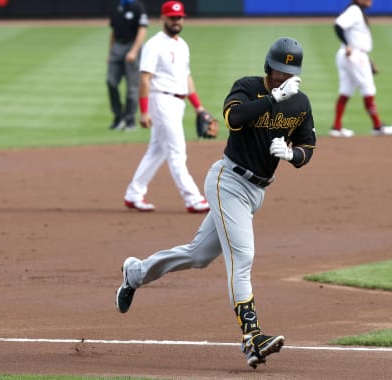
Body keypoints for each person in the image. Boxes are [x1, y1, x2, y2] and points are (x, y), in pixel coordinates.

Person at [116, 37, 317, 369]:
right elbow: (233, 119)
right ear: (268, 67)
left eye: (290, 72)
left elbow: (308, 144)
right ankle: (252, 337)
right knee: (243, 256)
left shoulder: (300, 103)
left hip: (256, 192)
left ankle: (134, 273)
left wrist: (292, 154)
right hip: (229, 181)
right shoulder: (247, 87)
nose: (284, 77)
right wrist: (270, 100)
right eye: (280, 71)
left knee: (198, 255)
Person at [123, 1, 210, 213]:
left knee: (157, 151)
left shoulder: (182, 45)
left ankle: (133, 194)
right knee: (176, 151)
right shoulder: (154, 45)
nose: (176, 21)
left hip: (177, 102)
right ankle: (193, 198)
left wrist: (198, 107)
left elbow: (186, 78)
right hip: (161, 100)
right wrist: (143, 111)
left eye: (179, 17)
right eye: (172, 17)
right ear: (163, 18)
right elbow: (145, 78)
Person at [329, 0, 392, 138]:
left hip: (350, 55)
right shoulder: (354, 10)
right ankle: (378, 126)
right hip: (354, 54)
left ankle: (336, 127)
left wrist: (366, 59)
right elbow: (338, 25)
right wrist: (348, 45)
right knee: (368, 89)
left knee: (345, 91)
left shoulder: (356, 11)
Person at [107, 0, 148, 131]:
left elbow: (142, 30)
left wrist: (135, 50)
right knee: (111, 82)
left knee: (132, 87)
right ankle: (118, 117)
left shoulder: (137, 6)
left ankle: (130, 119)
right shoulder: (116, 6)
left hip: (132, 45)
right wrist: (110, 51)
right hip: (117, 46)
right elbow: (113, 31)